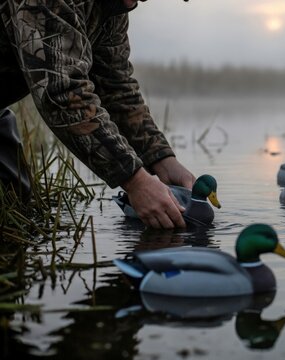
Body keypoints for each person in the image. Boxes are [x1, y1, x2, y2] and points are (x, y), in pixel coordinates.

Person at [0, 0, 194, 229]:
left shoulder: (114, 8)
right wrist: (135, 181)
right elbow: (61, 93)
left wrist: (161, 159)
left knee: (16, 211)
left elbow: (115, 87)